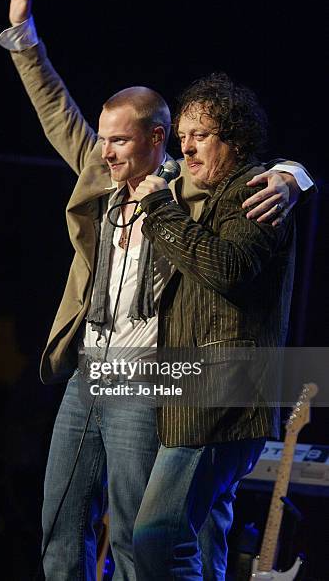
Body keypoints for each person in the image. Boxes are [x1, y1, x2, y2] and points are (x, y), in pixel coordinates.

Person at [0, 0, 313, 578]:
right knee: (59, 521)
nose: (106, 150)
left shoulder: (184, 183)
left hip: (150, 378)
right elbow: (54, 110)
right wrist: (23, 33)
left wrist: (295, 176)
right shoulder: (100, 176)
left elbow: (250, 165)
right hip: (90, 368)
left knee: (139, 531)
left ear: (158, 137)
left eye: (121, 140)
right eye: (105, 140)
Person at [130, 73, 301, 579]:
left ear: (236, 138)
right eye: (181, 137)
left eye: (199, 135)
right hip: (198, 393)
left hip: (221, 393)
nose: (186, 148)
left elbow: (227, 269)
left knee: (157, 536)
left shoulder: (258, 190)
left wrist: (159, 208)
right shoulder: (217, 196)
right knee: (200, 541)